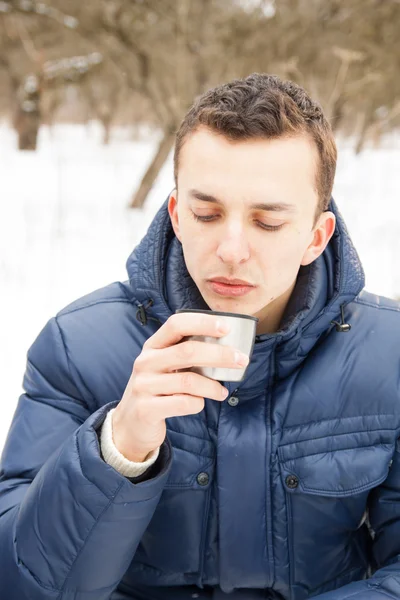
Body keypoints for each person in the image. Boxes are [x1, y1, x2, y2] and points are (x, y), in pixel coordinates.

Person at [1, 73, 400, 600]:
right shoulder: (78, 347)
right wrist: (119, 449)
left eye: (269, 222)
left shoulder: (389, 354)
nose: (231, 249)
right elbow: (19, 581)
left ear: (315, 236)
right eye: (207, 214)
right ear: (176, 215)